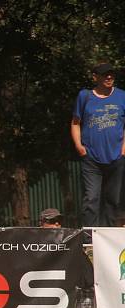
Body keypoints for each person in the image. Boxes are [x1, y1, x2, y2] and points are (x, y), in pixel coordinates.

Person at [71, 62, 125, 228]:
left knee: (113, 200)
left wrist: (124, 149)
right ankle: (89, 240)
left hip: (117, 158)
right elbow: (75, 122)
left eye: (111, 74)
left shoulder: (122, 96)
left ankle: (107, 239)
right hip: (91, 159)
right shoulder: (85, 96)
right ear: (95, 77)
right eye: (104, 74)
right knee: (91, 199)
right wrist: (80, 148)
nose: (109, 77)